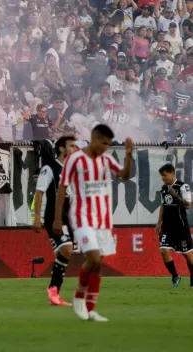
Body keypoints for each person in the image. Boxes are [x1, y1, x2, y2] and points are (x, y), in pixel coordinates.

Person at [53, 124, 133, 322]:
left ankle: (91, 309)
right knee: (94, 259)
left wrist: (129, 156)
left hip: (103, 219)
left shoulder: (106, 159)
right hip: (81, 217)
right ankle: (79, 295)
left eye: (108, 145)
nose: (105, 148)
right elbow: (62, 188)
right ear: (94, 139)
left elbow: (124, 176)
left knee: (99, 265)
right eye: (103, 143)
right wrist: (56, 219)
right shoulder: (75, 159)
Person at [32, 136, 77, 306]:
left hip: (66, 215)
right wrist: (37, 217)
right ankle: (53, 291)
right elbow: (39, 192)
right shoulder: (49, 168)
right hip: (53, 215)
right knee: (66, 249)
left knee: (63, 253)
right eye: (71, 146)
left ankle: (54, 294)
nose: (74, 149)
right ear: (61, 149)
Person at [156, 163, 193, 287]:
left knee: (187, 255)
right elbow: (163, 206)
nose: (163, 178)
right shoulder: (163, 188)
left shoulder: (183, 187)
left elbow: (188, 205)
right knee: (163, 250)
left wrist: (175, 195)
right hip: (167, 227)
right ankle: (175, 276)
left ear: (172, 173)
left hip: (181, 226)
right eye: (162, 176)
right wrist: (158, 223)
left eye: (165, 176)